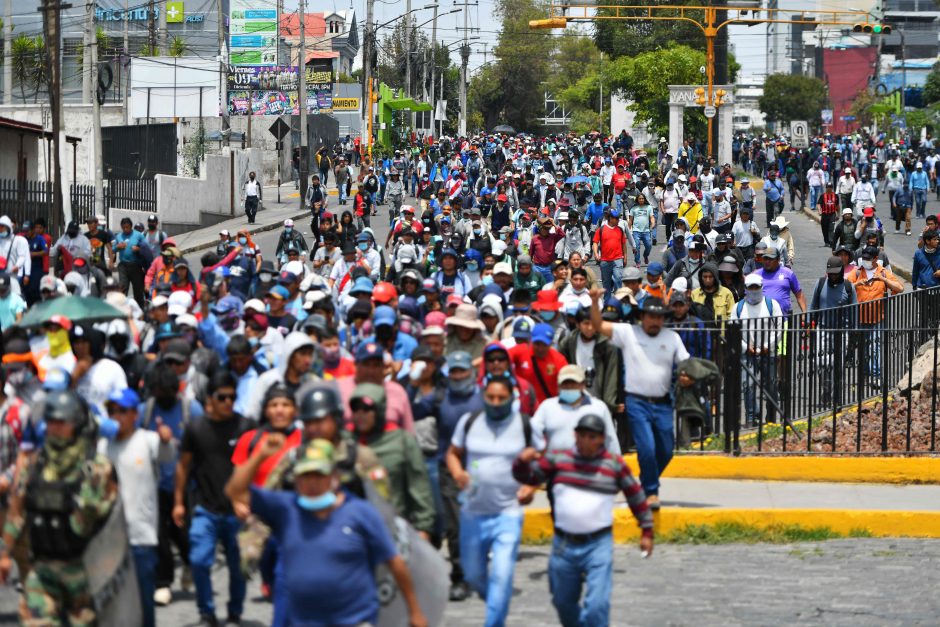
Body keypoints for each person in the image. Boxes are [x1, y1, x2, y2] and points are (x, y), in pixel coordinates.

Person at [225, 437, 428, 627]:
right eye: (305, 475)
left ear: (334, 477)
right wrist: (260, 455)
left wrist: (415, 610)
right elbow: (235, 491)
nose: (312, 483)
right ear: (295, 480)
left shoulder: (361, 513)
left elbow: (394, 561)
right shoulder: (285, 509)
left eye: (319, 475)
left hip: (355, 621)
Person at [512, 414, 653, 627]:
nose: (587, 441)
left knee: (597, 607)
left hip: (598, 544)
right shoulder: (557, 459)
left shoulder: (614, 465)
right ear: (574, 435)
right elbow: (529, 478)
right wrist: (522, 462)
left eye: (593, 436)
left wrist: (647, 530)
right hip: (564, 545)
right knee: (562, 601)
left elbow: (635, 496)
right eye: (583, 435)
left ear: (602, 439)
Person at [0, 391, 117, 624]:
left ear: (77, 424)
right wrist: (4, 552)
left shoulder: (96, 468)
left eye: (61, 422)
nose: (54, 428)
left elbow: (111, 525)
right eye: (51, 421)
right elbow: (17, 511)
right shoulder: (34, 464)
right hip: (42, 569)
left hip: (83, 572)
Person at [445, 376, 545, 627]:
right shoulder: (469, 421)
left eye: (502, 398)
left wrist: (531, 486)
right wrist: (458, 473)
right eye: (491, 397)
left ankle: (494, 621)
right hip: (472, 513)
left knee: (501, 576)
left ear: (512, 398)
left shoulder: (525, 425)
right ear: (483, 396)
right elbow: (453, 454)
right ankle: (496, 603)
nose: (496, 402)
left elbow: (545, 460)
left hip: (507, 514)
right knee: (474, 575)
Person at [589, 287, 691, 508]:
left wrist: (686, 378)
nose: (655, 321)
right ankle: (651, 493)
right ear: (642, 317)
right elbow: (598, 325)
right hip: (637, 402)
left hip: (664, 402)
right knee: (646, 448)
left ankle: (644, 486)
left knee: (665, 450)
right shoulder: (627, 332)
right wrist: (595, 302)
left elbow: (685, 365)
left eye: (659, 317)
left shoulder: (672, 337)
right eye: (651, 316)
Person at [173, 372, 249, 625]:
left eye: (232, 397)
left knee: (239, 568)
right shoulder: (196, 428)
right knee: (198, 560)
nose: (228, 402)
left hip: (238, 512)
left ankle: (235, 611)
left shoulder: (246, 426)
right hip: (206, 508)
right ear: (210, 399)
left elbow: (256, 467)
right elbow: (183, 466)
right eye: (222, 397)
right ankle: (206, 611)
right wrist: (178, 503)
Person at [101, 388, 176, 627]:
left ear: (134, 414)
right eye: (111, 411)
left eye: (122, 411)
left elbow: (167, 457)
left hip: (140, 536)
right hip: (109, 538)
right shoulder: (103, 446)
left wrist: (166, 440)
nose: (116, 416)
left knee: (143, 602)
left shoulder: (147, 440)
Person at [730, 274, 784, 426]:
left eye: (756, 287)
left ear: (761, 287)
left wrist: (768, 346)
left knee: (771, 385)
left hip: (769, 352)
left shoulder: (772, 305)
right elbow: (734, 331)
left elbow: (779, 328)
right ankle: (751, 416)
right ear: (746, 289)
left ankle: (771, 416)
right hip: (748, 352)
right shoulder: (738, 307)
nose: (753, 290)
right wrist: (747, 347)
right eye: (750, 287)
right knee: (748, 385)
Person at [849, 246, 904, 381]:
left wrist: (884, 280)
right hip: (860, 318)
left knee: (875, 347)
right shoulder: (857, 273)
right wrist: (856, 284)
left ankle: (876, 375)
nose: (865, 261)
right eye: (864, 258)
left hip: (877, 318)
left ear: (875, 259)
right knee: (864, 348)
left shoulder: (883, 272)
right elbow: (844, 288)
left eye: (868, 259)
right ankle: (866, 374)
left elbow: (900, 288)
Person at [592, 209, 628, 298]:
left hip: (618, 259)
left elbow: (624, 244)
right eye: (616, 218)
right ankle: (607, 301)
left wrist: (625, 257)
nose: (618, 220)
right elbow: (595, 242)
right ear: (611, 218)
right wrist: (596, 254)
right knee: (606, 283)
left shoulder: (620, 230)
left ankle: (618, 298)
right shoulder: (601, 229)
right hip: (605, 260)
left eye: (618, 218)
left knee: (618, 279)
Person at [113, 216, 148, 307]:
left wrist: (138, 249)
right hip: (123, 266)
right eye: (123, 227)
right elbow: (112, 250)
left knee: (137, 289)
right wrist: (117, 247)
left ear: (131, 226)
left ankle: (140, 309)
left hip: (135, 265)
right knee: (122, 288)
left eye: (127, 227)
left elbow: (146, 248)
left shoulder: (138, 235)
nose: (125, 229)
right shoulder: (119, 236)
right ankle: (121, 309)